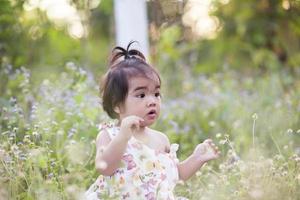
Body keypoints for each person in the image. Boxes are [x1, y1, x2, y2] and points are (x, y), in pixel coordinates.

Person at [85, 41, 220, 199]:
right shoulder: (110, 135)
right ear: (117, 105)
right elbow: (105, 168)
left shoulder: (161, 139)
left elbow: (176, 175)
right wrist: (123, 137)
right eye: (141, 95)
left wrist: (197, 158)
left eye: (156, 94)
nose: (152, 101)